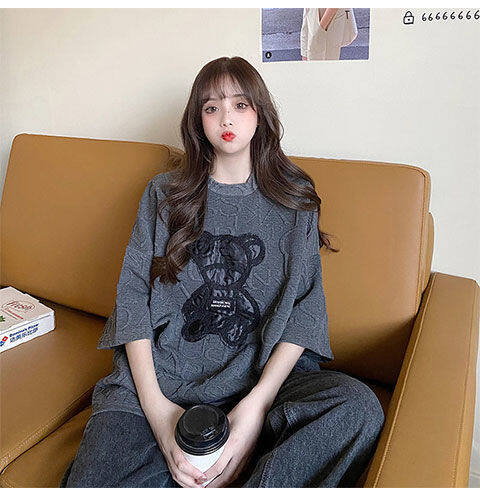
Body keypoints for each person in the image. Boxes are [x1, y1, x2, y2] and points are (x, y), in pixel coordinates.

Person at [61, 56, 384, 488]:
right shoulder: (164, 194)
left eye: (240, 105)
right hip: (163, 379)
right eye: (211, 107)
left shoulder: (295, 198)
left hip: (262, 381)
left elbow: (305, 310)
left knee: (356, 408)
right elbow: (132, 297)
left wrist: (256, 408)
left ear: (260, 113)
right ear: (198, 121)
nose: (226, 118)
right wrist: (159, 415)